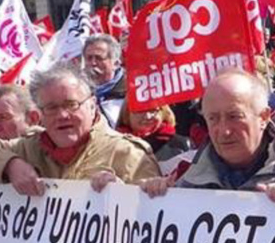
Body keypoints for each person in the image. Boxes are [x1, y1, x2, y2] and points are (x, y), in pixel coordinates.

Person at [0, 64, 160, 196]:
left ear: (92, 105)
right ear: (39, 114)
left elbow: (155, 223)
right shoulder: (27, 148)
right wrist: (10, 165)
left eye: (71, 105)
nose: (62, 115)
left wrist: (124, 195)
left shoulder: (128, 153)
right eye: (51, 108)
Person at [140, 69, 275, 200]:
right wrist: (156, 197)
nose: (224, 131)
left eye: (234, 116)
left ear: (263, 117)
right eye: (213, 118)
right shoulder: (185, 178)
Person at [116, 103, 189, 162]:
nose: (147, 116)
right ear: (126, 115)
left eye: (153, 110)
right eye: (140, 110)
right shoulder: (114, 146)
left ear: (163, 113)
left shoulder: (180, 145)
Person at [83, 34, 126, 128]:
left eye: (99, 58)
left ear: (116, 64)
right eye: (89, 58)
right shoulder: (78, 92)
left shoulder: (131, 90)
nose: (93, 63)